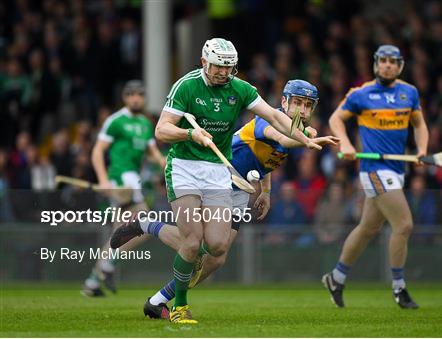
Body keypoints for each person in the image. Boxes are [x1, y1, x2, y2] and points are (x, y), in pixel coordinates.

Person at [112, 38, 329, 325]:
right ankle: (179, 306)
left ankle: (157, 295)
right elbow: (162, 130)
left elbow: (272, 136)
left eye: (229, 68)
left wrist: (277, 173)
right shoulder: (186, 86)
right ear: (204, 62)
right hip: (186, 167)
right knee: (192, 242)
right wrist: (192, 134)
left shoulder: (240, 89)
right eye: (218, 67)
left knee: (216, 249)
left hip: (220, 172)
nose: (224, 73)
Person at [322, 45, 429, 309]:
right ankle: (399, 287)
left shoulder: (409, 93)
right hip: (374, 171)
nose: (388, 65)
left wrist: (422, 151)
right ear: (375, 64)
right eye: (383, 61)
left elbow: (420, 124)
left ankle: (336, 278)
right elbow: (336, 119)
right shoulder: (361, 94)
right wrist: (346, 144)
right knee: (404, 224)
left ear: (400, 66)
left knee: (368, 228)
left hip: (397, 170)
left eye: (393, 61)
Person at [82, 80, 166, 297]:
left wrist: (166, 164)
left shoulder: (147, 124)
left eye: (139, 94)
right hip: (121, 179)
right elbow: (98, 151)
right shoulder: (116, 121)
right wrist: (103, 179)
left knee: (120, 232)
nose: (135, 98)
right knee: (143, 224)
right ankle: (108, 264)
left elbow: (152, 153)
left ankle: (93, 280)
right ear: (125, 98)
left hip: (134, 179)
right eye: (131, 94)